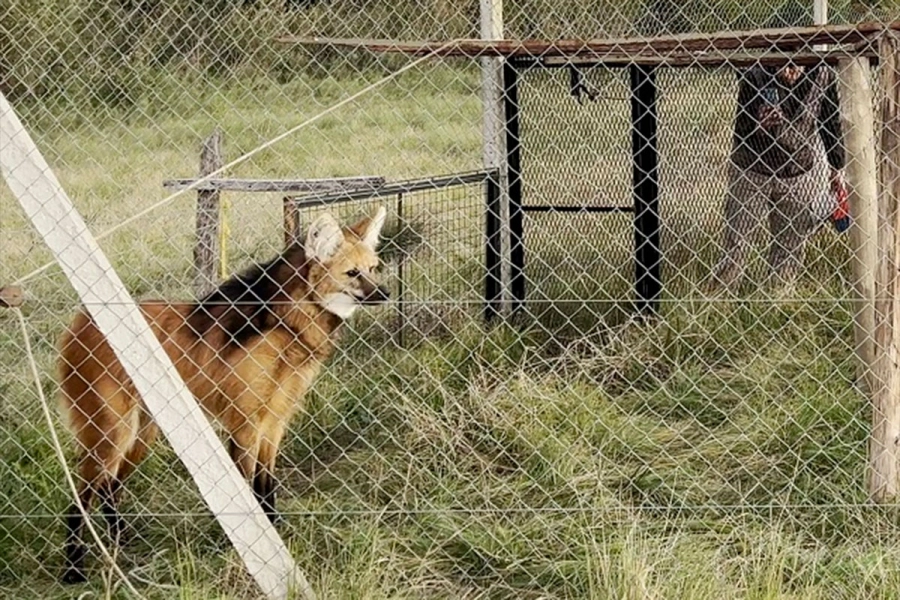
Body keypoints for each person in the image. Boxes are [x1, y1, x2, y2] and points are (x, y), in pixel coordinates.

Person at [708, 62, 846, 294]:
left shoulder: (822, 75)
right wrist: (758, 124)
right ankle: (717, 303)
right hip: (752, 170)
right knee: (736, 245)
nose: (791, 72)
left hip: (797, 173)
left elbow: (829, 123)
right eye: (785, 65)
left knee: (790, 247)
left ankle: (778, 301)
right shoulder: (756, 75)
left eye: (796, 66)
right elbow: (740, 128)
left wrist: (837, 167)